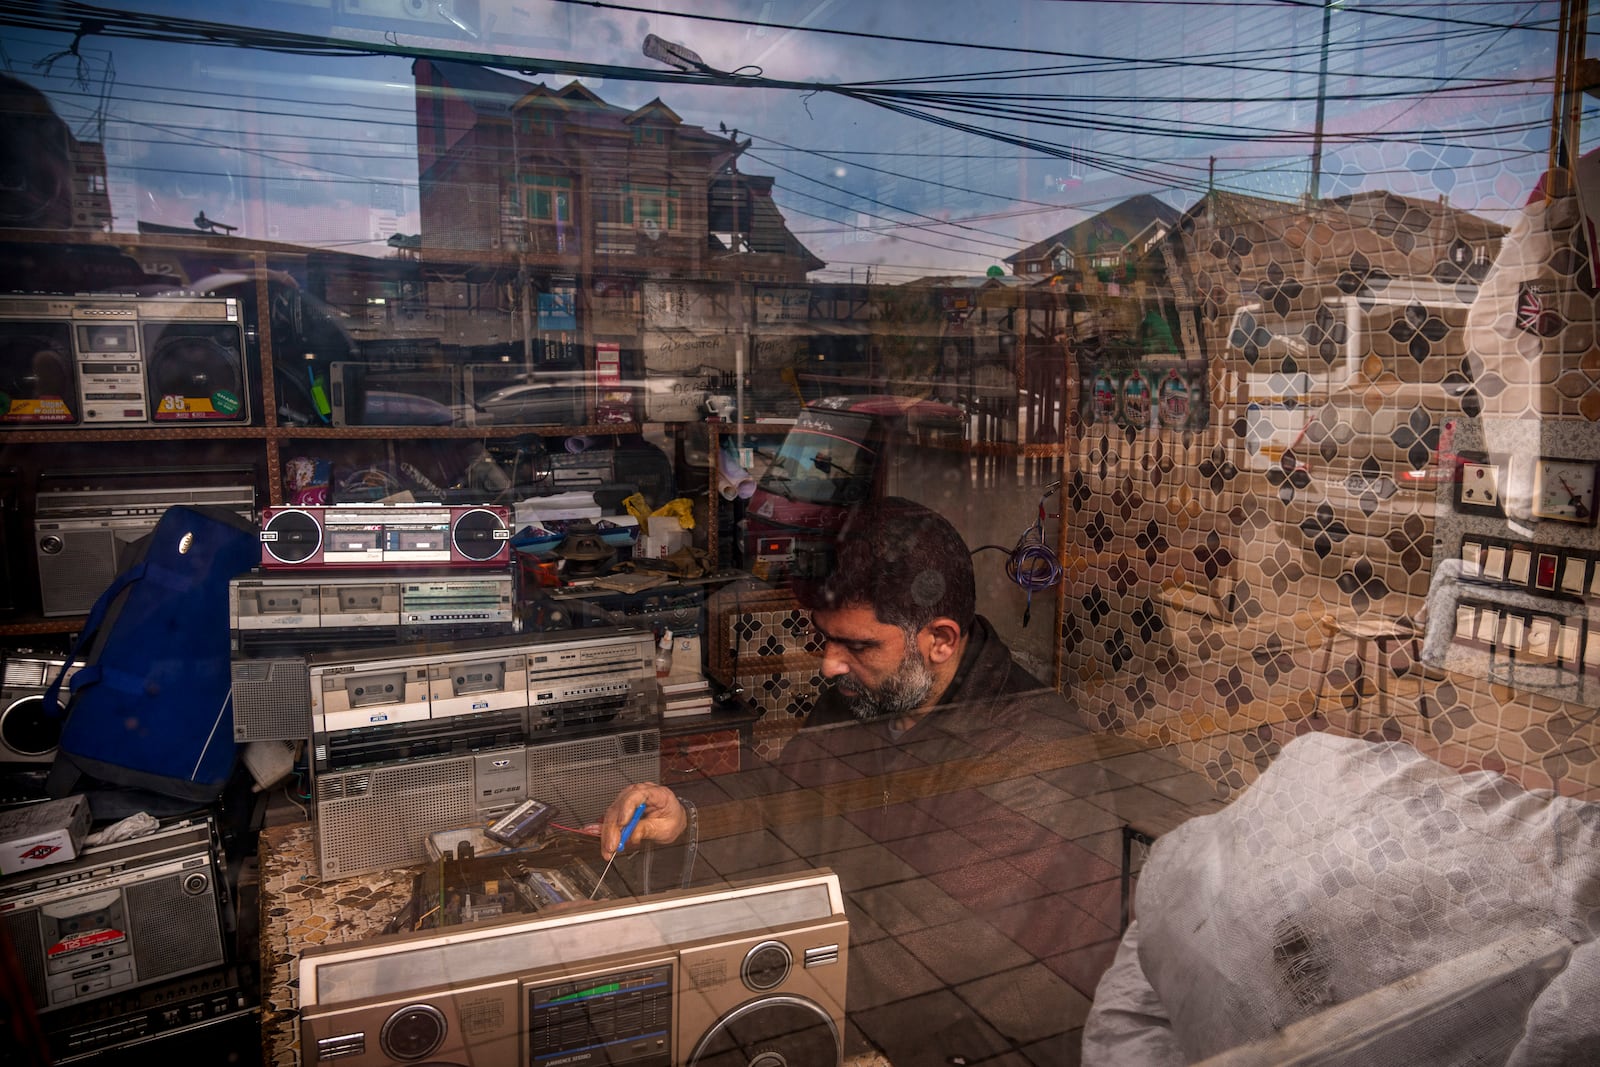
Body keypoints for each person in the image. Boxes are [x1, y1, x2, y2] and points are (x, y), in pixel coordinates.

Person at [601, 496, 1097, 1065]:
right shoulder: (871, 697)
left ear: (940, 639)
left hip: (979, 1042)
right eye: (826, 640)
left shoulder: (1031, 750)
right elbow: (783, 803)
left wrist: (700, 978)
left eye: (858, 646)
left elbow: (919, 958)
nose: (829, 665)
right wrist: (685, 817)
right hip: (853, 1004)